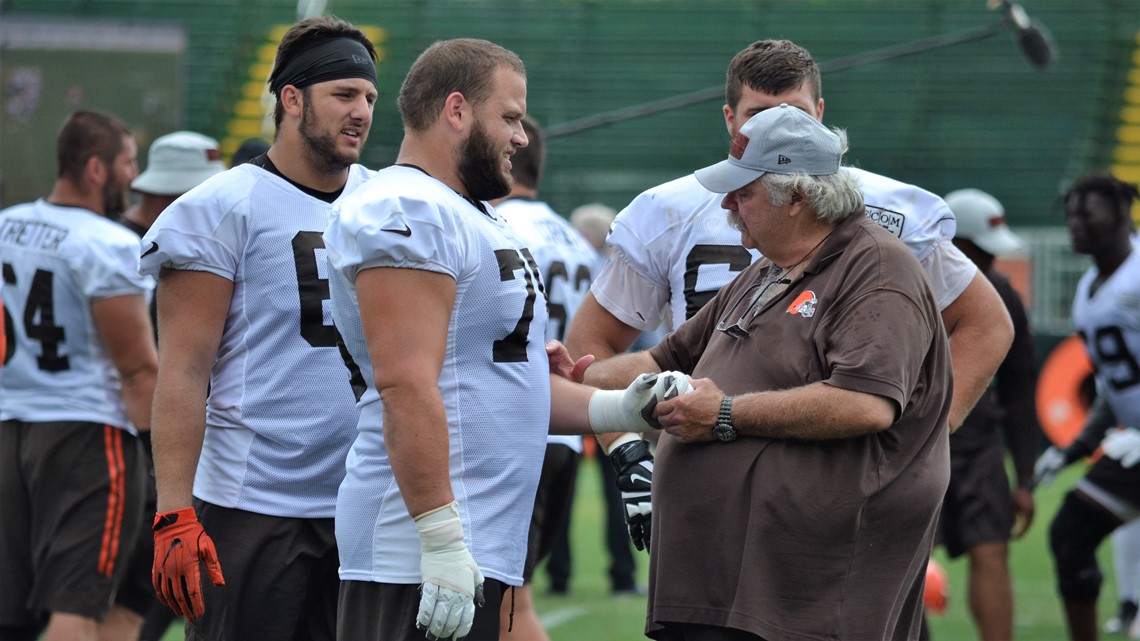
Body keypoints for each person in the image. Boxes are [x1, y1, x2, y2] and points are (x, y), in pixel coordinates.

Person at [563, 39, 1012, 553]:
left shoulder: (887, 215)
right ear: (731, 120)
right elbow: (601, 349)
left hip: (839, 473)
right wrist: (627, 452)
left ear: (819, 117)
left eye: (794, 116)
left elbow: (985, 322)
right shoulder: (672, 212)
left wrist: (924, 436)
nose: (778, 131)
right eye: (759, 117)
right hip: (707, 475)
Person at [324, 37, 688, 641]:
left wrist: (623, 405)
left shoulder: (475, 214)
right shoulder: (406, 205)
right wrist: (439, 536)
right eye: (511, 117)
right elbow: (405, 383)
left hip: (483, 537)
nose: (522, 137)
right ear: (457, 110)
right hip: (416, 546)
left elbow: (503, 384)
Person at [574, 104, 952, 640]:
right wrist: (581, 377)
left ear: (798, 197)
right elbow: (662, 361)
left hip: (805, 591)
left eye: (743, 190)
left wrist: (723, 414)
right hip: (727, 581)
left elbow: (865, 403)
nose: (727, 203)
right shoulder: (766, 269)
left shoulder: (878, 267)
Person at [138, 16, 380, 641]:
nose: (361, 112)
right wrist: (174, 511)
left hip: (369, 498)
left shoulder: (392, 203)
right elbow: (185, 371)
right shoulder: (220, 208)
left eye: (370, 97)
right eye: (344, 95)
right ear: (291, 100)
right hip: (254, 504)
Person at [0, 109, 155, 641]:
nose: (133, 177)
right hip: (86, 436)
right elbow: (136, 368)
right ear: (96, 169)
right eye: (128, 163)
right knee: (76, 606)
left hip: (10, 426)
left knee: (13, 614)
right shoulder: (105, 243)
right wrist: (163, 453)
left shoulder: (5, 224)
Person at [113, 130, 226, 641]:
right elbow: (152, 366)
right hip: (128, 442)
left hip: (115, 436)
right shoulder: (124, 249)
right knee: (138, 593)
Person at [492, 115, 599, 640]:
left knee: (510, 607)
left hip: (517, 426)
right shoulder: (576, 240)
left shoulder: (497, 226)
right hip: (565, 431)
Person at [1033, 173, 1140, 641]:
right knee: (1071, 535)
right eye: (1071, 214)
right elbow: (1113, 388)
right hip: (1133, 447)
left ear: (1119, 214)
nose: (1075, 223)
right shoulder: (1089, 289)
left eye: (1086, 213)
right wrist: (1073, 449)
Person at [935, 187, 1041, 641]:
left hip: (975, 444)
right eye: (982, 252)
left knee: (991, 551)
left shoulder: (1001, 295)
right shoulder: (910, 286)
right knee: (908, 560)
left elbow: (1019, 393)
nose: (991, 265)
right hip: (915, 442)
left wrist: (1025, 477)